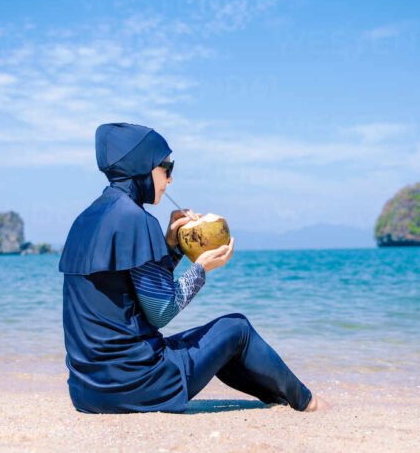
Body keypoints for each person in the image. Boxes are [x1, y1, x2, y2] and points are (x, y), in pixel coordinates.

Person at [60, 123, 325, 413]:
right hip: (140, 386)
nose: (170, 180)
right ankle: (307, 402)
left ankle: (280, 400)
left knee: (217, 343)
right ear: (143, 166)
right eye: (166, 168)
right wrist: (201, 269)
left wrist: (172, 248)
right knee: (237, 329)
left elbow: (132, 295)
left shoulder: (85, 219)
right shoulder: (138, 219)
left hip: (87, 391)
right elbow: (161, 312)